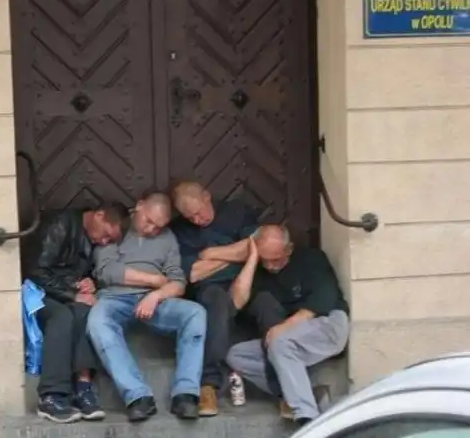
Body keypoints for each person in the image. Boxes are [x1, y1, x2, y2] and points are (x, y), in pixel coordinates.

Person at [87, 192, 207, 422]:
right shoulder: (118, 226)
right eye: (149, 221)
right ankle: (137, 396)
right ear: (139, 206)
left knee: (195, 313)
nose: (152, 229)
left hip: (155, 301)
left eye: (158, 227)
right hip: (115, 299)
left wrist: (156, 296)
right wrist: (153, 280)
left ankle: (186, 394)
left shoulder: (167, 237)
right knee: (98, 320)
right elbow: (107, 271)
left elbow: (178, 282)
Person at [170, 181, 282, 416]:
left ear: (207, 197)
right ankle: (208, 386)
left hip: (248, 283)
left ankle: (285, 385)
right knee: (216, 301)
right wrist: (235, 253)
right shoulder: (180, 231)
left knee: (268, 304)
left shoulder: (236, 212)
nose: (197, 220)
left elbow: (256, 246)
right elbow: (193, 273)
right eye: (190, 217)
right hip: (209, 289)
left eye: (199, 212)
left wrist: (210, 254)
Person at [226, 225, 350, 426]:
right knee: (237, 355)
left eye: (275, 259)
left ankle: (306, 416)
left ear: (289, 249)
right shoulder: (259, 270)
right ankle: (306, 391)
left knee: (280, 341)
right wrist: (252, 258)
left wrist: (283, 328)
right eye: (264, 259)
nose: (270, 266)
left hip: (327, 323)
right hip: (292, 336)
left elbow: (323, 299)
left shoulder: (311, 258)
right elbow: (236, 302)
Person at [27, 202, 129, 423]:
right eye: (106, 234)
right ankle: (51, 396)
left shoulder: (92, 238)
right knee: (62, 317)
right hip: (37, 292)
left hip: (65, 292)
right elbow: (37, 271)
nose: (104, 241)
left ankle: (83, 387)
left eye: (110, 240)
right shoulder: (60, 224)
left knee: (85, 311)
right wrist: (72, 294)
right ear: (99, 215)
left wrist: (89, 283)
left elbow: (84, 272)